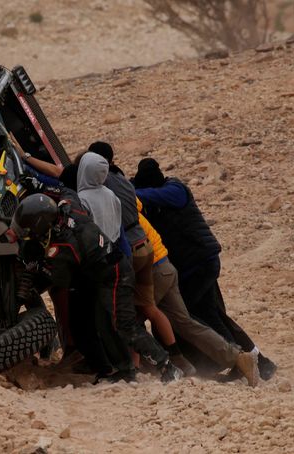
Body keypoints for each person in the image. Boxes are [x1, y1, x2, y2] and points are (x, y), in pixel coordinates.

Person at [29, 157, 182, 382]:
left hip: (106, 269)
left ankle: (165, 365)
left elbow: (69, 207)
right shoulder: (110, 195)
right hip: (114, 260)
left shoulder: (82, 201)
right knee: (106, 323)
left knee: (124, 324)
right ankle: (125, 369)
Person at [133, 158, 276, 380]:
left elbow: (150, 196)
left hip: (199, 265)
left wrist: (126, 193)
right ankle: (259, 361)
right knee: (213, 314)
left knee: (188, 317)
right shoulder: (159, 195)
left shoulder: (175, 190)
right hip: (198, 264)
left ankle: (235, 359)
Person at [85, 142, 195, 375]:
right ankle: (178, 359)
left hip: (121, 261)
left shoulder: (86, 197)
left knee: (126, 317)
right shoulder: (120, 188)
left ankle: (137, 366)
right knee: (151, 310)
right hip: (144, 251)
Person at [137, 197, 260, 386]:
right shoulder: (134, 207)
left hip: (153, 272)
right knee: (185, 321)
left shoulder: (118, 209)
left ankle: (148, 367)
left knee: (131, 319)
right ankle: (237, 357)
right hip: (167, 266)